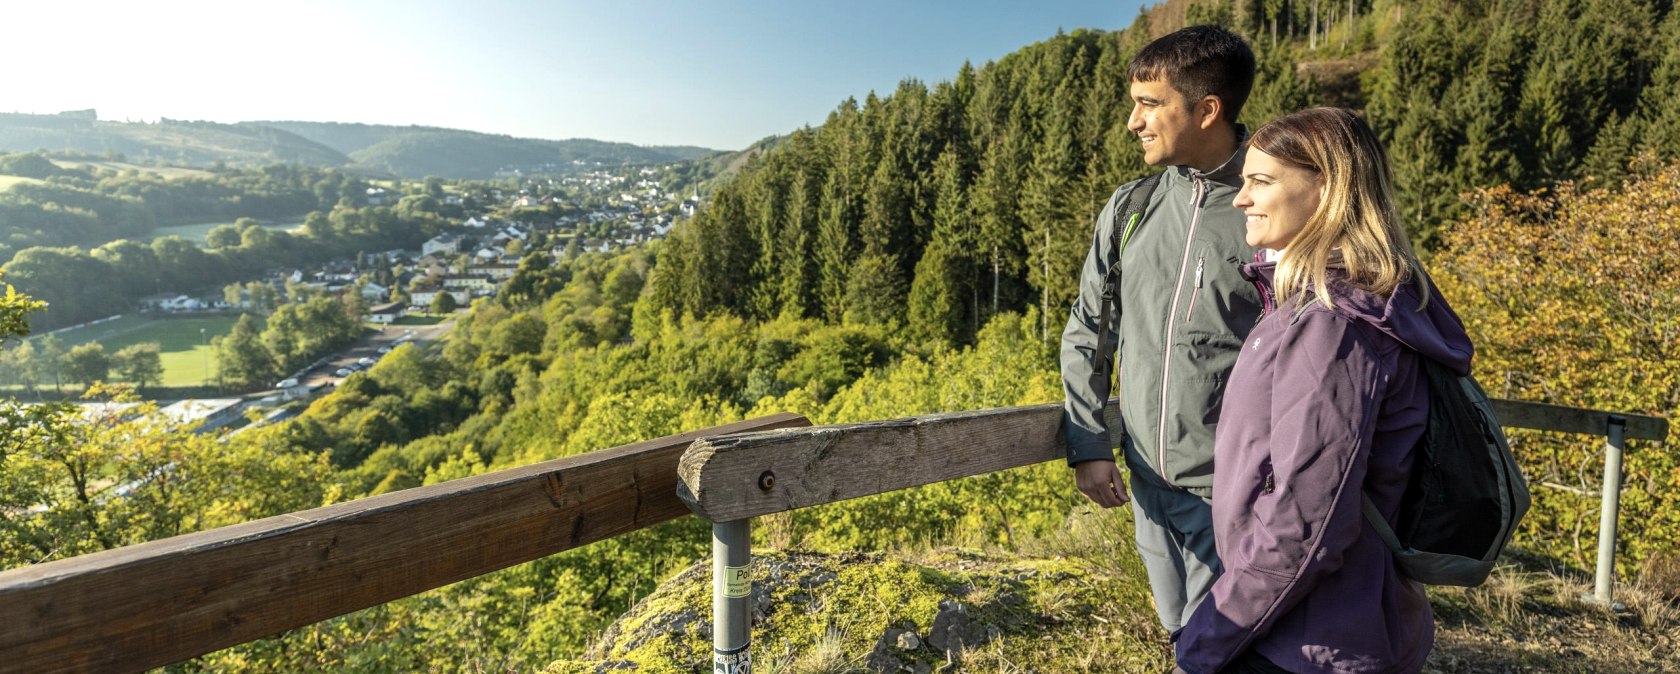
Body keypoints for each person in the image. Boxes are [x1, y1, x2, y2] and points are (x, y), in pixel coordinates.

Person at [1172, 107, 1469, 674]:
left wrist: (1208, 641)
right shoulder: (1370, 301)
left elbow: (1303, 522)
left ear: (1328, 188)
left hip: (1308, 640)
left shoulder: (1334, 323)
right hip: (1337, 617)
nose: (1240, 199)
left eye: (1260, 182)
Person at [1060, 25, 1263, 636]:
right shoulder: (1131, 206)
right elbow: (1088, 330)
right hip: (1145, 483)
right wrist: (1090, 445)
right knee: (1178, 632)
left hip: (1237, 494)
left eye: (1150, 105)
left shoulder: (1273, 205)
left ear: (1206, 110)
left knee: (1221, 647)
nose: (1133, 121)